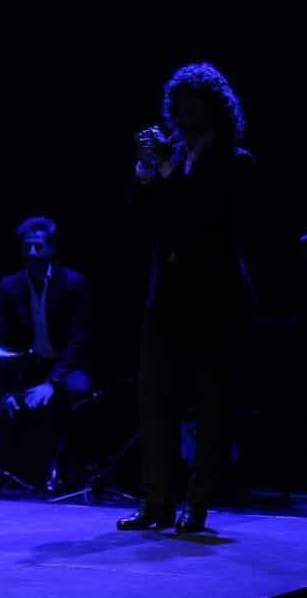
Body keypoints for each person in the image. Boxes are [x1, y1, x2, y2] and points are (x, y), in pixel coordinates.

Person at [117, 62, 256, 534]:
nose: (186, 109)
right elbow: (147, 220)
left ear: (214, 107)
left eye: (196, 100)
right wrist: (144, 173)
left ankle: (195, 505)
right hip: (168, 296)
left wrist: (167, 171)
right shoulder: (171, 159)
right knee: (154, 401)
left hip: (215, 298)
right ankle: (156, 501)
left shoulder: (236, 163)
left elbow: (206, 221)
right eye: (181, 100)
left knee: (209, 405)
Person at [0, 216, 93, 491]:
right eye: (27, 247)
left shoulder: (73, 283)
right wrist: (1, 389)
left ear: (51, 249)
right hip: (28, 364)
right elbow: (0, 339)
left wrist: (52, 383)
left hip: (64, 365)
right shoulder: (10, 285)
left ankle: (70, 471)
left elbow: (78, 340)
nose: (32, 253)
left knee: (76, 389)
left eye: (38, 247)